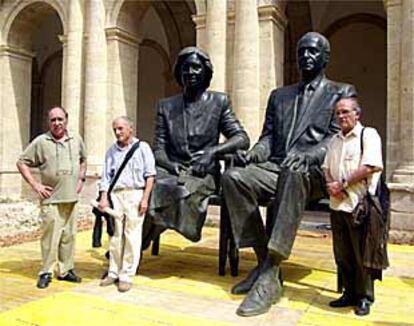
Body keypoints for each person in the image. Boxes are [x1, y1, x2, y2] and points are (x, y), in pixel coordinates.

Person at [221, 32, 357, 316]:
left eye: (313, 51)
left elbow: (335, 139)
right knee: (233, 178)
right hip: (276, 169)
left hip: (316, 173)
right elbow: (268, 138)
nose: (306, 56)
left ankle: (268, 275)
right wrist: (252, 155)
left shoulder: (340, 91)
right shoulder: (279, 96)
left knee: (294, 172)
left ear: (325, 58)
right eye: (301, 51)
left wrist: (308, 156)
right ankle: (265, 264)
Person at [143, 46, 249, 245]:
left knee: (177, 191)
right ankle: (132, 248)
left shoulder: (219, 102)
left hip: (203, 174)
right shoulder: (166, 106)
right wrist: (169, 165)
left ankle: (134, 248)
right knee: (146, 190)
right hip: (171, 170)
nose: (190, 72)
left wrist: (212, 152)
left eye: (195, 67)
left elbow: (241, 138)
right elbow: (158, 148)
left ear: (205, 71)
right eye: (185, 68)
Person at [323, 97, 384, 316]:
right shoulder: (335, 140)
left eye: (345, 112)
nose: (341, 116)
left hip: (359, 205)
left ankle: (365, 296)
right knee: (343, 253)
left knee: (362, 254)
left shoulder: (368, 135)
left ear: (357, 114)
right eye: (338, 113)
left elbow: (369, 166)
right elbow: (326, 166)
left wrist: (344, 184)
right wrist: (331, 185)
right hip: (337, 204)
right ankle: (348, 293)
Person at [17, 106, 87, 289]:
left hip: (71, 198)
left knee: (69, 237)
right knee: (50, 239)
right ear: (49, 122)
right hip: (51, 199)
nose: (57, 123)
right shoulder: (41, 141)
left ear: (66, 120)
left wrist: (81, 179)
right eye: (53, 120)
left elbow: (83, 159)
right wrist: (35, 185)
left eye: (60, 119)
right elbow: (22, 162)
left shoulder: (76, 139)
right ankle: (46, 272)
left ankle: (65, 270)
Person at [98, 116, 156, 292]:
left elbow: (150, 175)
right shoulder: (111, 151)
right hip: (116, 196)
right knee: (115, 235)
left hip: (135, 194)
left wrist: (145, 198)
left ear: (131, 129)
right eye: (115, 129)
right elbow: (105, 177)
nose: (117, 132)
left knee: (132, 236)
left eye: (121, 129)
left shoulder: (143, 148)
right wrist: (103, 197)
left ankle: (127, 275)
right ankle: (113, 272)